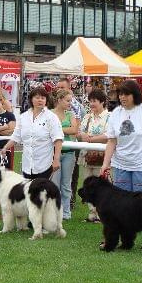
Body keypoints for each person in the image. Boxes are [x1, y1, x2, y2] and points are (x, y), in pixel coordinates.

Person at [100, 80, 142, 251]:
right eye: (120, 94)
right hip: (120, 165)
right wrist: (105, 164)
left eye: (126, 94)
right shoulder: (115, 114)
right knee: (121, 206)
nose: (122, 97)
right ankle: (123, 240)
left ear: (134, 95)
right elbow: (111, 141)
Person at [1, 87, 63, 179]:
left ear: (46, 100)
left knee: (41, 192)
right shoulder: (23, 117)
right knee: (27, 192)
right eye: (37, 97)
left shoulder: (52, 117)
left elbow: (58, 139)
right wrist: (5, 148)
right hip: (27, 165)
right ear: (31, 99)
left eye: (43, 98)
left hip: (44, 165)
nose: (40, 100)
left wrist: (56, 160)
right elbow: (16, 136)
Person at [77, 88, 110, 222]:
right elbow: (79, 133)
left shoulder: (110, 117)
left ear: (102, 102)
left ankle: (102, 213)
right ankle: (92, 213)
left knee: (102, 186)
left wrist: (90, 138)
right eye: (90, 101)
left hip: (103, 157)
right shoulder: (87, 116)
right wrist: (82, 136)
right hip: (86, 156)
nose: (91, 104)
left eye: (94, 101)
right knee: (88, 184)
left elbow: (109, 136)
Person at [57, 78, 85, 211]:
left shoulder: (75, 107)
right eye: (58, 87)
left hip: (72, 146)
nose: (59, 89)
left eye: (62, 87)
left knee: (71, 178)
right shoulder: (53, 108)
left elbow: (75, 129)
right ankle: (59, 207)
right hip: (57, 149)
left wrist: (57, 130)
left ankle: (69, 204)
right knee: (58, 180)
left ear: (69, 88)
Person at [50, 89, 78, 220]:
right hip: (54, 153)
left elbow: (74, 130)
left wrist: (58, 130)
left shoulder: (70, 114)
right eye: (67, 100)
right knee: (54, 184)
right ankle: (55, 211)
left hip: (69, 153)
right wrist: (64, 131)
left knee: (66, 185)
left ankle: (66, 212)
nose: (70, 103)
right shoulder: (50, 114)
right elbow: (48, 131)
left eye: (70, 100)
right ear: (59, 100)